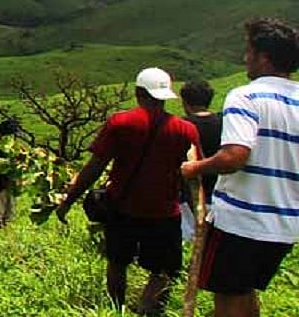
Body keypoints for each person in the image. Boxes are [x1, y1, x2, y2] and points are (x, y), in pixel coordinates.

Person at [56, 67, 200, 316]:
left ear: (137, 92)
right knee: (165, 269)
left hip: (123, 208)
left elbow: (95, 166)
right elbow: (191, 174)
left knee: (117, 262)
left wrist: (69, 200)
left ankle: (117, 309)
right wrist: (198, 211)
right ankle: (148, 309)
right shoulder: (185, 130)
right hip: (165, 211)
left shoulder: (121, 123)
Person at [181, 17, 299, 317]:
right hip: (284, 227)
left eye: (248, 51)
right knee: (245, 292)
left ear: (263, 57)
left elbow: (234, 156)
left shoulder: (245, 96)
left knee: (229, 299)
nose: (244, 58)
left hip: (242, 221)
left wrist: (194, 168)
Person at [179, 79, 222, 241]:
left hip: (188, 196)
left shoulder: (182, 125)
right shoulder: (222, 122)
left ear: (185, 101)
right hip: (219, 193)